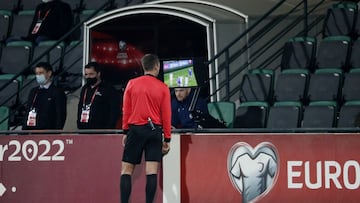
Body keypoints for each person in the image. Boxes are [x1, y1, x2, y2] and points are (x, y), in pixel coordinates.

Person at [120, 54, 171, 203]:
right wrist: (167, 138)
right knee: (152, 172)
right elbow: (166, 115)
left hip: (135, 130)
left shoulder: (131, 84)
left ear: (143, 67)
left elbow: (126, 110)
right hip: (154, 131)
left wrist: (125, 131)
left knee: (126, 170)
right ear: (157, 67)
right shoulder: (163, 88)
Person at [23, 62, 67, 130]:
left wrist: (57, 132)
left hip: (48, 133)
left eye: (41, 73)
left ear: (49, 73)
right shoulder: (33, 91)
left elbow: (60, 115)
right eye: (36, 73)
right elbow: (28, 111)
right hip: (32, 131)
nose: (38, 76)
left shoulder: (57, 92)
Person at [77, 62, 120, 129]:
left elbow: (114, 111)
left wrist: (109, 128)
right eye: (86, 74)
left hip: (101, 130)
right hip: (84, 129)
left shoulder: (108, 89)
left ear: (98, 74)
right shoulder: (84, 88)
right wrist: (79, 123)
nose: (88, 77)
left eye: (91, 74)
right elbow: (80, 106)